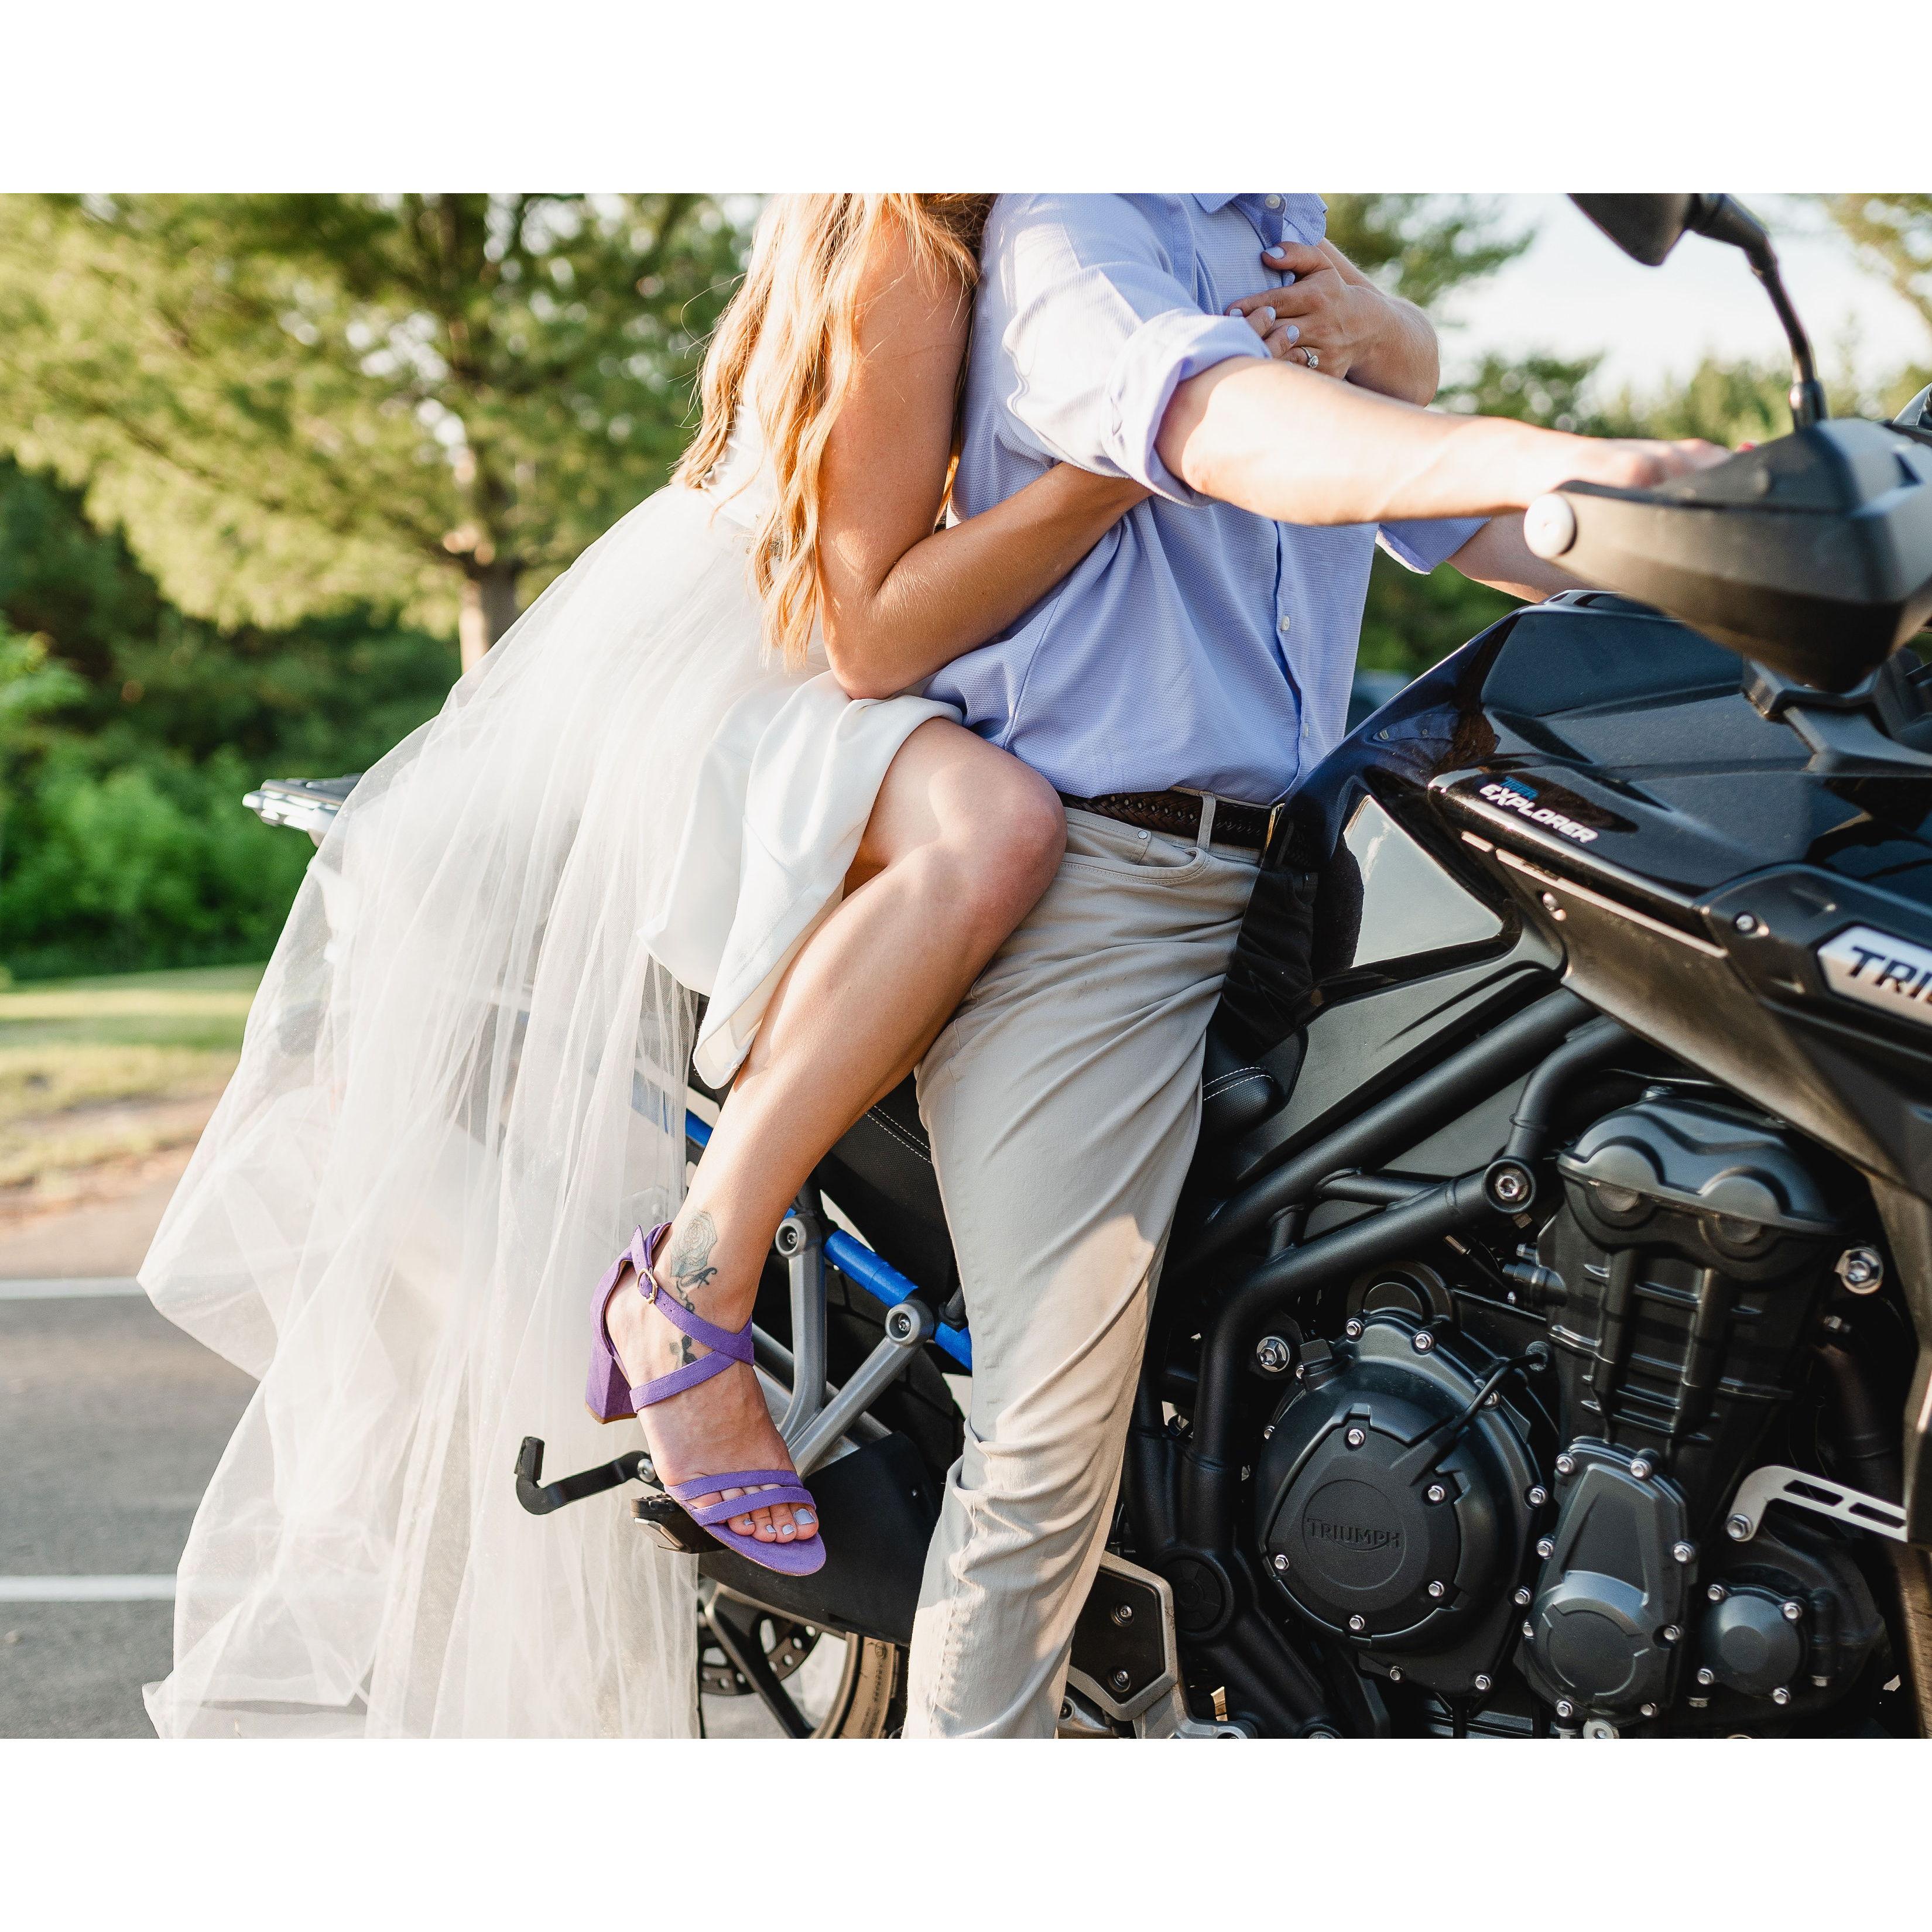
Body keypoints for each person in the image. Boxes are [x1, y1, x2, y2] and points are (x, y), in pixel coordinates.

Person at [136, 194, 1302, 1734]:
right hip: (755, 675)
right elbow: (867, 626)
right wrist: (1122, 461)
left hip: (809, 662)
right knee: (992, 832)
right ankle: (692, 1282)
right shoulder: (918, 235)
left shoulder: (1065, 217)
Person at [892, 193, 1724, 1736]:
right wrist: (1542, 450)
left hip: (1304, 873)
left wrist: (1707, 549)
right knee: (1046, 1433)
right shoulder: (1079, 212)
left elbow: (1442, 518)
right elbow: (1219, 421)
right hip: (1102, 889)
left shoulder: (1275, 214)